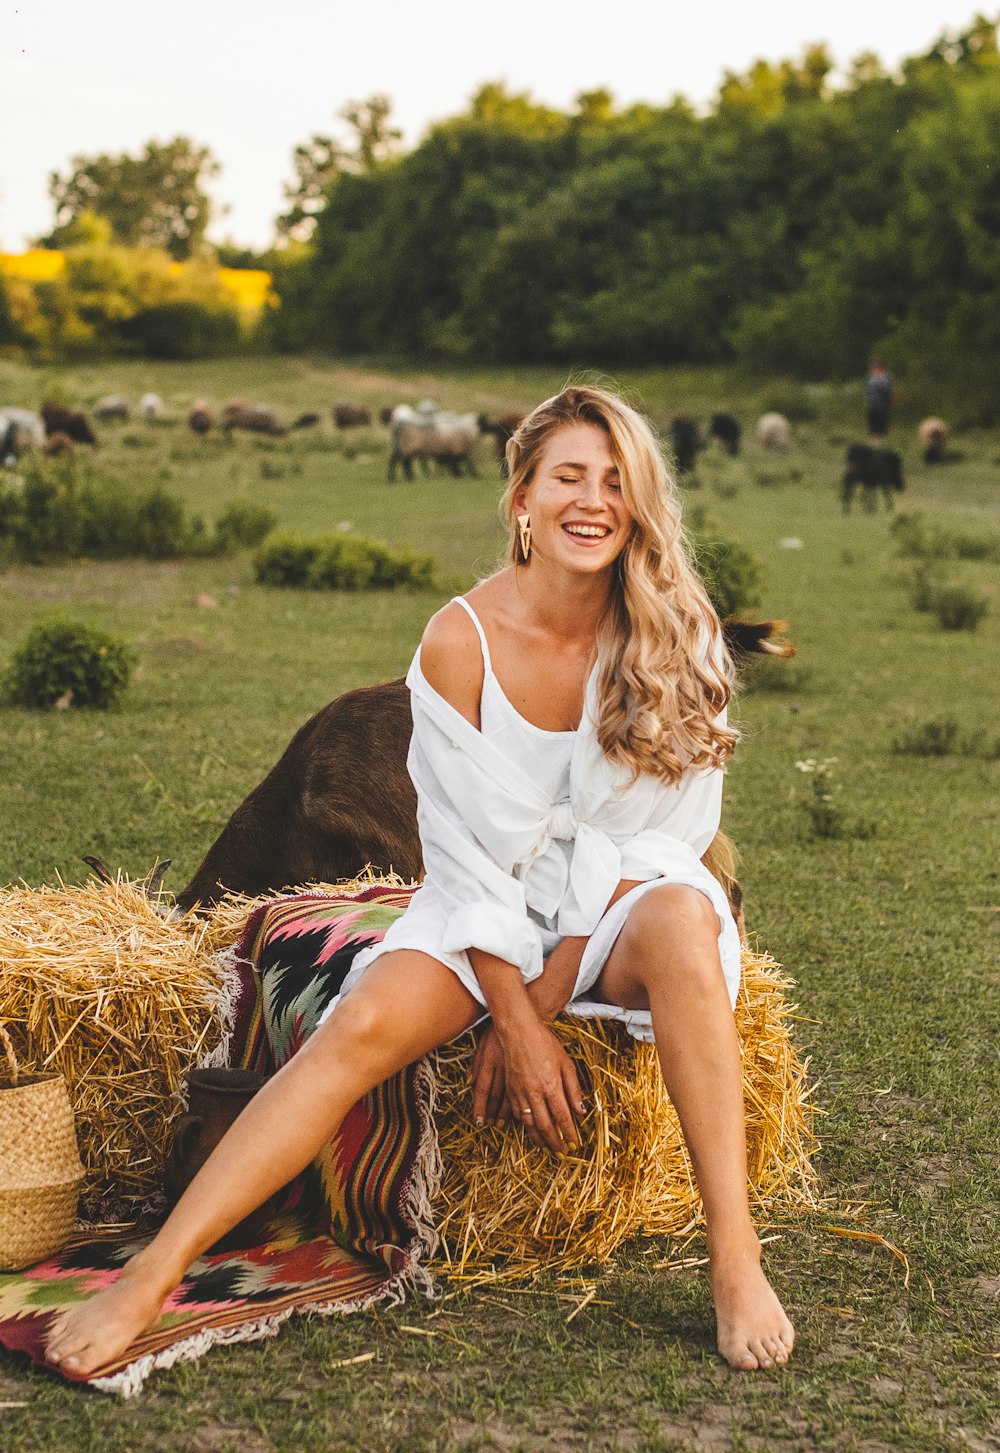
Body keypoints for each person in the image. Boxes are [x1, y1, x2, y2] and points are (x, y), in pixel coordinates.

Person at [45, 386, 794, 1376]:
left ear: (640, 504)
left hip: (620, 899)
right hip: (489, 900)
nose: (593, 500)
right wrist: (513, 1025)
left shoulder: (680, 629)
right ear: (521, 494)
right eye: (569, 475)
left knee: (681, 923)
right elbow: (466, 858)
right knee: (358, 1027)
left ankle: (734, 1261)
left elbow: (663, 839)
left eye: (617, 482)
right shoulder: (458, 640)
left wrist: (540, 1001)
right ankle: (151, 1275)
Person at [864, 359, 894, 438]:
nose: (872, 370)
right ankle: (873, 438)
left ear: (879, 368)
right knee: (872, 424)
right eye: (872, 368)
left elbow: (886, 390)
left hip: (882, 405)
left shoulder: (885, 377)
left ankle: (881, 439)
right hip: (871, 404)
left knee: (881, 424)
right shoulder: (870, 377)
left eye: (874, 368)